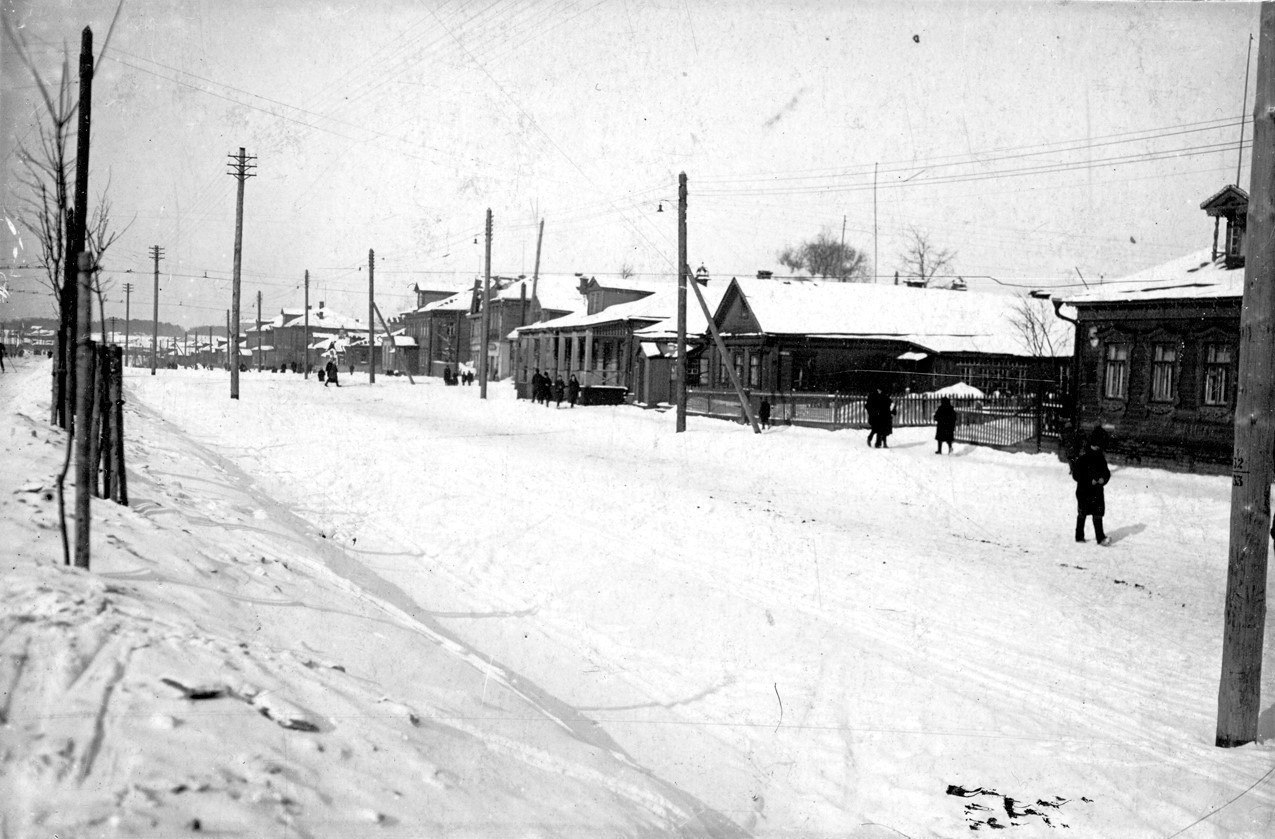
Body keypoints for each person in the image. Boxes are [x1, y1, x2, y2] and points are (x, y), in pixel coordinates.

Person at [1071, 426, 1111, 545]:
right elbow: (1076, 475)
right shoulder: (1083, 457)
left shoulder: (1100, 457)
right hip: (1084, 491)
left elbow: (1106, 472)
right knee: (1082, 513)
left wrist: (1103, 479)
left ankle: (1100, 538)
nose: (1098, 448)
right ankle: (1079, 536)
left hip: (1097, 491)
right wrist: (1090, 481)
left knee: (1098, 514)